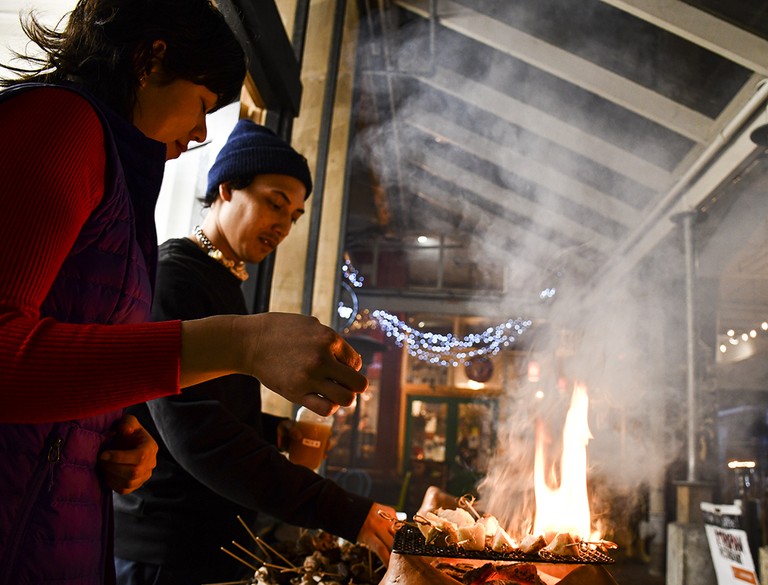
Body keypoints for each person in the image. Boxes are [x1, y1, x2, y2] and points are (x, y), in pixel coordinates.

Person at [0, 1, 367, 583]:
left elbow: (81, 371)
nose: (199, 133)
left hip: (56, 531)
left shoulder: (121, 186)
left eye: (296, 216)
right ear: (151, 58)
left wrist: (121, 432)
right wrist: (242, 344)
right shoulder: (61, 124)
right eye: (203, 104)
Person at [113, 120, 396, 584]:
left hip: (213, 538)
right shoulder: (175, 277)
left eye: (295, 215)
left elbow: (209, 404)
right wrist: (348, 513)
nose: (283, 225)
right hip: (166, 545)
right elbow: (195, 429)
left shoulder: (223, 279)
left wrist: (275, 429)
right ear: (226, 188)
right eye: (274, 203)